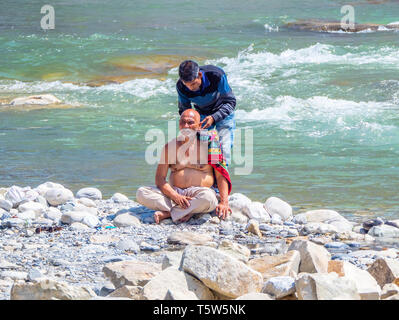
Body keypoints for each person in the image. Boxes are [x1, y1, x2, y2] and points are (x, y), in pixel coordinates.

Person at [136, 109, 232, 224]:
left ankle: (169, 213)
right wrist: (175, 196)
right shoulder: (170, 147)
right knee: (141, 192)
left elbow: (221, 175)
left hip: (200, 192)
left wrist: (224, 202)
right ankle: (187, 210)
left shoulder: (211, 144)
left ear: (199, 125)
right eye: (182, 122)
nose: (186, 126)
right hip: (174, 193)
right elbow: (160, 179)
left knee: (209, 199)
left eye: (190, 122)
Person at [176, 60, 236, 165]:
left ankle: (222, 177)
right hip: (201, 115)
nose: (191, 88)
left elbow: (230, 102)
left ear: (199, 75)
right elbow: (184, 111)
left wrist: (214, 118)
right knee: (196, 151)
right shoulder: (181, 87)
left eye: (193, 83)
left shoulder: (216, 75)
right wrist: (192, 126)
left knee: (224, 150)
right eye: (187, 85)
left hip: (222, 112)